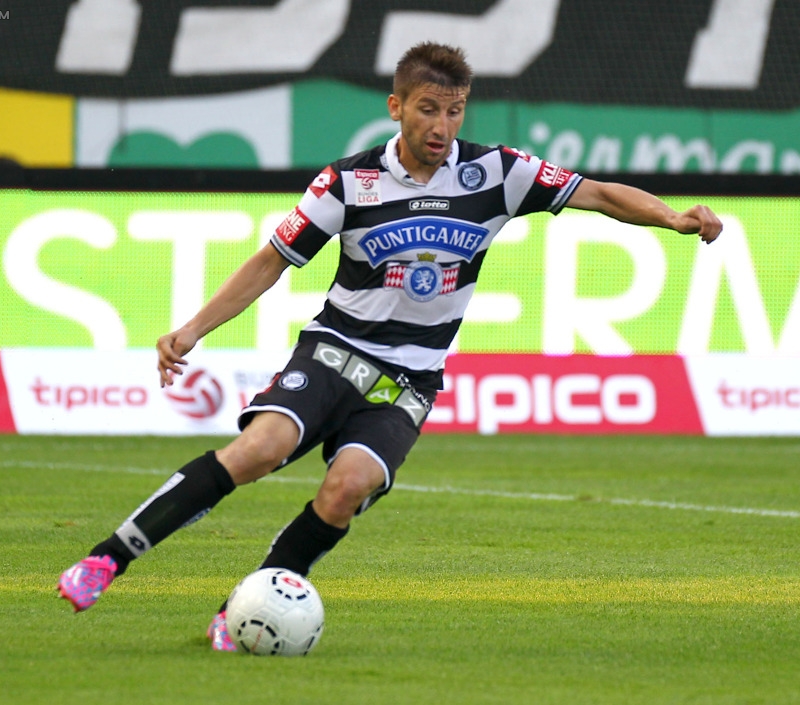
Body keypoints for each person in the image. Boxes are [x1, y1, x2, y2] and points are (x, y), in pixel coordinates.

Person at [57, 42, 722, 649]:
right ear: (397, 107)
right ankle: (107, 557)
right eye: (429, 109)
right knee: (262, 448)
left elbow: (599, 193)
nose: (442, 127)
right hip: (333, 352)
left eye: (455, 111)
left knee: (346, 488)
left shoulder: (498, 174)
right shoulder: (347, 183)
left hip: (407, 381)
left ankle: (246, 602)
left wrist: (672, 217)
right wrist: (193, 328)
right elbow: (273, 259)